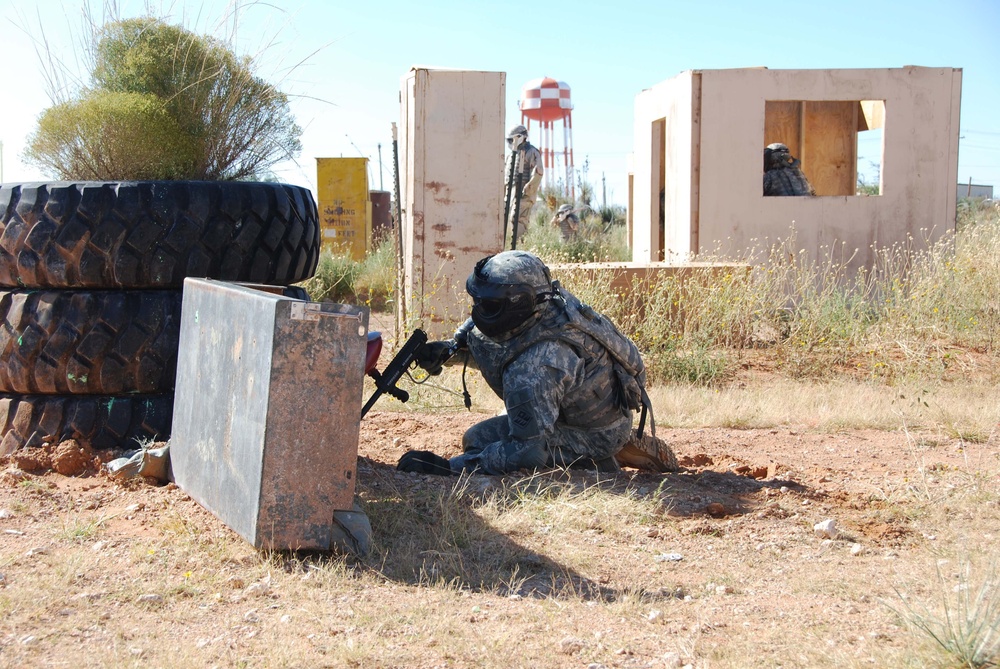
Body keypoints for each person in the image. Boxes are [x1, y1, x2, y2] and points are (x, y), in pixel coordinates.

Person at [396, 250, 677, 476]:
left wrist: (450, 468)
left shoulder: (537, 366)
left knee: (480, 443)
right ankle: (613, 441)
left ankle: (597, 460)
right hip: (585, 410)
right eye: (479, 301)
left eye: (490, 305)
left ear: (518, 303)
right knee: (488, 432)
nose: (480, 311)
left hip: (592, 431)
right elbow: (504, 346)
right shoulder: (545, 306)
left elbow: (526, 452)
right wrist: (448, 352)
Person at [504, 125, 543, 241]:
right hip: (510, 193)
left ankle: (520, 247)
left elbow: (538, 171)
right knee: (504, 218)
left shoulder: (531, 152)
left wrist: (528, 189)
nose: (511, 142)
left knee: (518, 219)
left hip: (523, 193)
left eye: (512, 139)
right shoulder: (511, 155)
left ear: (521, 137)